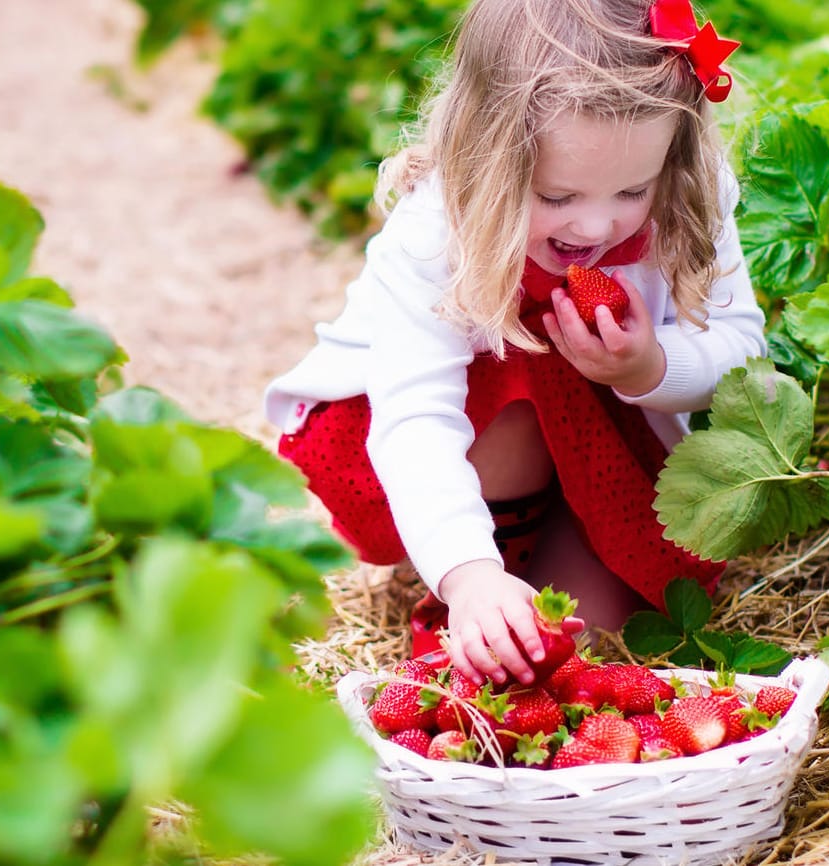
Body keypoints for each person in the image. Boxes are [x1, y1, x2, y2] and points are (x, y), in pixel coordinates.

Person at [265, 0, 765, 688]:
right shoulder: (435, 232)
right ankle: (470, 585)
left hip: (599, 441)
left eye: (630, 189)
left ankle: (527, 582)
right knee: (524, 370)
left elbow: (739, 344)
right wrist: (469, 576)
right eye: (556, 195)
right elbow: (417, 421)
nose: (594, 223)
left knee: (582, 649)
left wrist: (651, 367)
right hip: (415, 439)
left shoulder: (689, 195)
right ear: (486, 158)